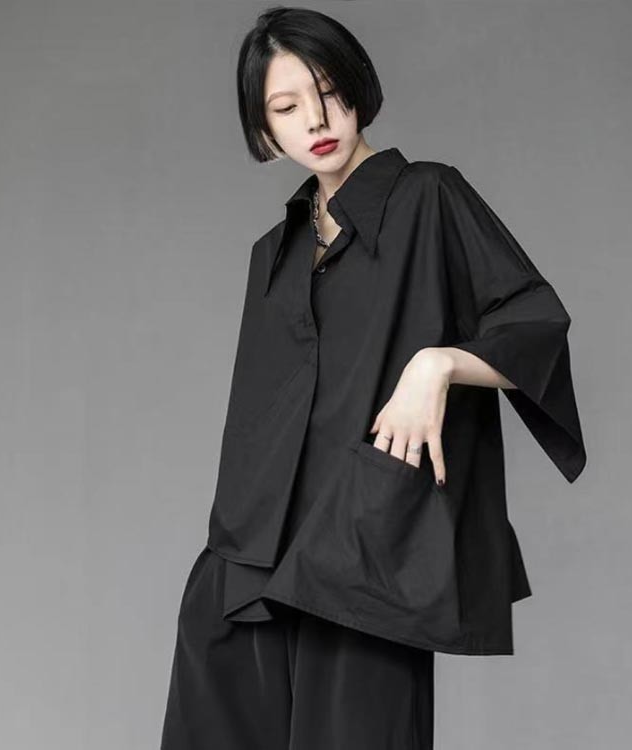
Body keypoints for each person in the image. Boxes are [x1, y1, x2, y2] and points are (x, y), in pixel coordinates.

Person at [160, 6, 587, 750]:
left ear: (358, 86)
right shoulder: (273, 254)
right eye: (286, 107)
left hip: (367, 557)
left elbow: (535, 322)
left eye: (328, 91)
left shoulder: (429, 197)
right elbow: (258, 425)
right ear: (265, 129)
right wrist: (218, 570)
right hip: (245, 568)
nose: (316, 119)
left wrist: (437, 364)